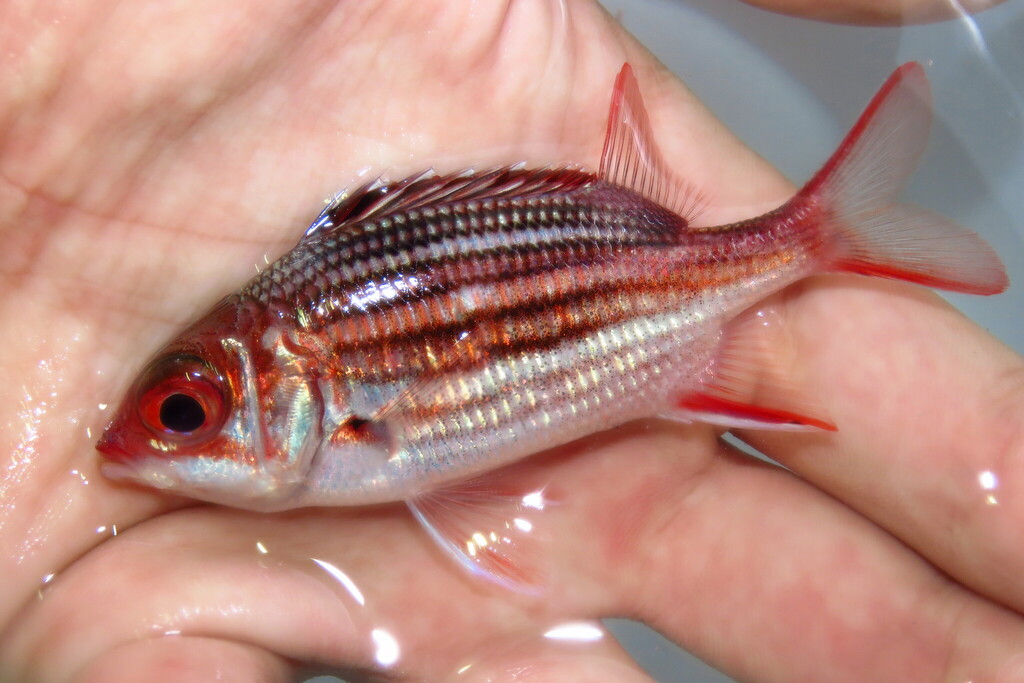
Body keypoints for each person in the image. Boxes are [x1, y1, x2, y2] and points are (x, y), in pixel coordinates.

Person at [1, 0, 1020, 680]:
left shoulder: (345, 419)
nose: (154, 441)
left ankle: (825, 232)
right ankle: (824, 232)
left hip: (638, 305)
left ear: (291, 386)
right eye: (182, 412)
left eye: (189, 414)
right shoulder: (328, 413)